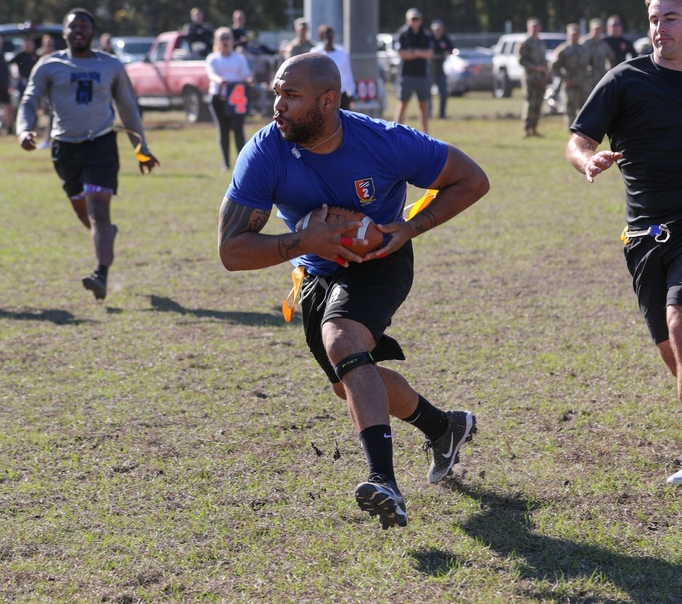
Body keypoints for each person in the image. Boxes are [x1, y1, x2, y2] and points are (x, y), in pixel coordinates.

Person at [217, 53, 489, 529]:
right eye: (276, 93)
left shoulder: (383, 141)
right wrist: (303, 241)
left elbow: (472, 179)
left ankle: (383, 480)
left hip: (380, 260)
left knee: (342, 341)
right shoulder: (264, 151)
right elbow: (231, 251)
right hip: (315, 270)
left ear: (328, 101)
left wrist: (408, 228)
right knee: (351, 381)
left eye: (290, 96)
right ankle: (444, 427)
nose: (276, 105)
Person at [566, 0, 682, 485]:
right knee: (675, 347)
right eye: (653, 18)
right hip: (644, 235)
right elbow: (578, 140)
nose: (659, 28)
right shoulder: (624, 80)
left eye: (669, 18)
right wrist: (588, 160)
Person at [17, 8, 159, 301]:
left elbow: (128, 108)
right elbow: (29, 100)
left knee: (98, 211)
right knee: (86, 215)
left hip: (101, 145)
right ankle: (107, 235)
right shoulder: (48, 65)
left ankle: (100, 275)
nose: (79, 30)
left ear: (92, 32)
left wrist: (141, 146)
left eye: (84, 26)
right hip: (64, 148)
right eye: (73, 26)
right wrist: (24, 130)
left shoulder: (111, 66)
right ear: (64, 32)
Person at [206, 27, 254, 171]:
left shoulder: (239, 58)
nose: (225, 41)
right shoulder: (213, 58)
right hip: (219, 98)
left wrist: (250, 79)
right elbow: (211, 74)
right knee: (223, 129)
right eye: (222, 38)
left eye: (227, 38)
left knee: (238, 129)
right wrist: (219, 80)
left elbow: (246, 74)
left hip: (237, 99)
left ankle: (242, 162)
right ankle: (226, 164)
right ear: (217, 41)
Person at [395, 8, 433, 135]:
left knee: (423, 106)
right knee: (402, 104)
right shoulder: (403, 35)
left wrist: (414, 51)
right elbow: (403, 54)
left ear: (421, 20)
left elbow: (430, 53)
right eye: (412, 19)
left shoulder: (426, 35)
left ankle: (426, 134)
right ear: (407, 20)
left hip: (422, 75)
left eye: (417, 19)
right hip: (407, 75)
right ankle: (396, 133)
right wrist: (419, 53)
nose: (415, 22)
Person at [552, 23, 591, 128]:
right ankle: (571, 130)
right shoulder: (564, 49)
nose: (575, 36)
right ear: (568, 35)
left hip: (583, 83)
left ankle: (583, 129)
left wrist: (589, 74)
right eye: (572, 34)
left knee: (585, 108)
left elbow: (591, 63)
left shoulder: (585, 49)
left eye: (577, 34)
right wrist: (564, 77)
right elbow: (553, 66)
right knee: (570, 108)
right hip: (571, 84)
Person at [312, 24, 356, 110]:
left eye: (330, 34)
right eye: (325, 34)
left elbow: (348, 73)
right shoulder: (315, 52)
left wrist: (352, 92)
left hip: (341, 93)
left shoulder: (342, 52)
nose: (328, 37)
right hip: (323, 93)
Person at [519, 17, 548, 137]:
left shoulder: (540, 42)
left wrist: (546, 70)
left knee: (538, 103)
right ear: (528, 28)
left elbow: (543, 59)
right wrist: (535, 68)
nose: (535, 29)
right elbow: (521, 60)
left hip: (541, 78)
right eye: (533, 27)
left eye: (537, 26)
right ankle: (527, 129)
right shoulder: (526, 42)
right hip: (530, 78)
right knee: (530, 103)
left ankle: (534, 128)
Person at [430, 20, 454, 119]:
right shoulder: (429, 39)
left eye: (439, 29)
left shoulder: (446, 39)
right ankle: (428, 114)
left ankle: (442, 114)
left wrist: (443, 54)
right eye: (435, 29)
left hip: (441, 69)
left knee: (443, 92)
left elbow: (451, 51)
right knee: (427, 94)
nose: (437, 31)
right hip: (430, 69)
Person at [584, 18, 616, 90]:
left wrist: (608, 70)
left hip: (600, 76)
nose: (598, 31)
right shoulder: (585, 43)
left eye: (599, 29)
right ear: (591, 29)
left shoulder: (603, 44)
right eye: (596, 29)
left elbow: (611, 57)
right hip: (587, 78)